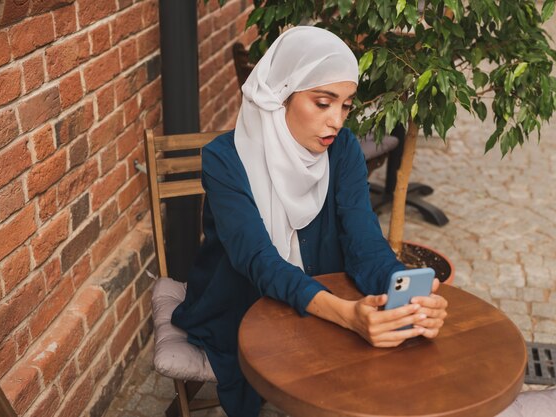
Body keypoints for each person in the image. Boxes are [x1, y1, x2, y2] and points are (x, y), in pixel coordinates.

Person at [171, 26, 448, 417]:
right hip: (240, 304)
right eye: (323, 103)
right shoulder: (224, 159)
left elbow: (364, 243)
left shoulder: (344, 150)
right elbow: (257, 261)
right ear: (280, 96)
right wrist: (346, 315)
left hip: (322, 300)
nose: (337, 120)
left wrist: (403, 292)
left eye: (346, 105)